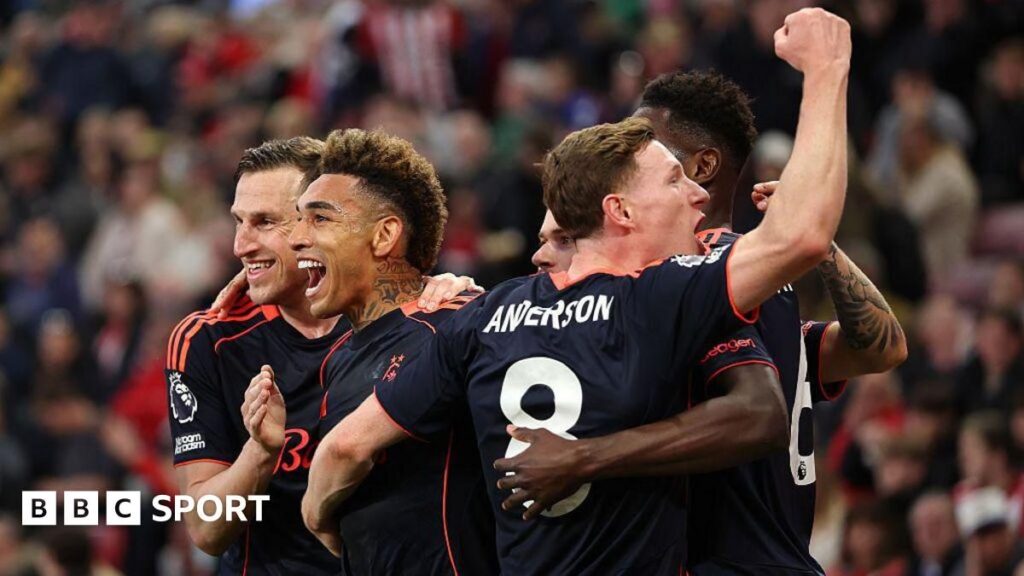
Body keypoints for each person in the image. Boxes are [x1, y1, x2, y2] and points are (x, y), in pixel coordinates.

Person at [303, 8, 851, 574]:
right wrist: (828, 70)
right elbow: (802, 237)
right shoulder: (656, 299)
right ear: (620, 210)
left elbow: (346, 448)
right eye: (672, 181)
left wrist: (320, 520)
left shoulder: (485, 311)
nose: (695, 195)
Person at [521, 71, 907, 574]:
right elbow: (882, 348)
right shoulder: (760, 289)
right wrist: (811, 250)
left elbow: (759, 413)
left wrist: (583, 457)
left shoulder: (697, 272)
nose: (629, 154)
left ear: (702, 167)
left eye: (647, 145)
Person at [167, 137, 476, 574]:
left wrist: (451, 300)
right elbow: (205, 530)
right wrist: (260, 453)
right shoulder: (211, 338)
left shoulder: (415, 321)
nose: (241, 245)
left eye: (266, 222)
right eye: (239, 221)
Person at [286, 128, 497, 574]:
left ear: (384, 236)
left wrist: (315, 511)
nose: (296, 238)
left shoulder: (459, 323)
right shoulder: (338, 358)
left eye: (320, 219)